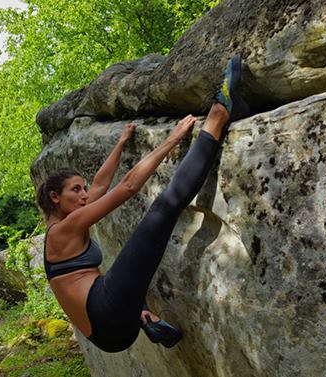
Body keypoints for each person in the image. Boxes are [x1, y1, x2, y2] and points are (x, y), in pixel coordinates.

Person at [38, 55, 249, 352]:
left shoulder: (65, 227)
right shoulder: (63, 230)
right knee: (163, 208)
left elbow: (100, 184)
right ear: (54, 197)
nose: (85, 195)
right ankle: (218, 114)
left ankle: (144, 317)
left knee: (125, 266)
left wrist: (122, 143)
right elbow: (128, 186)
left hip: (108, 331)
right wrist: (172, 139)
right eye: (76, 190)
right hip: (107, 312)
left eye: (82, 188)